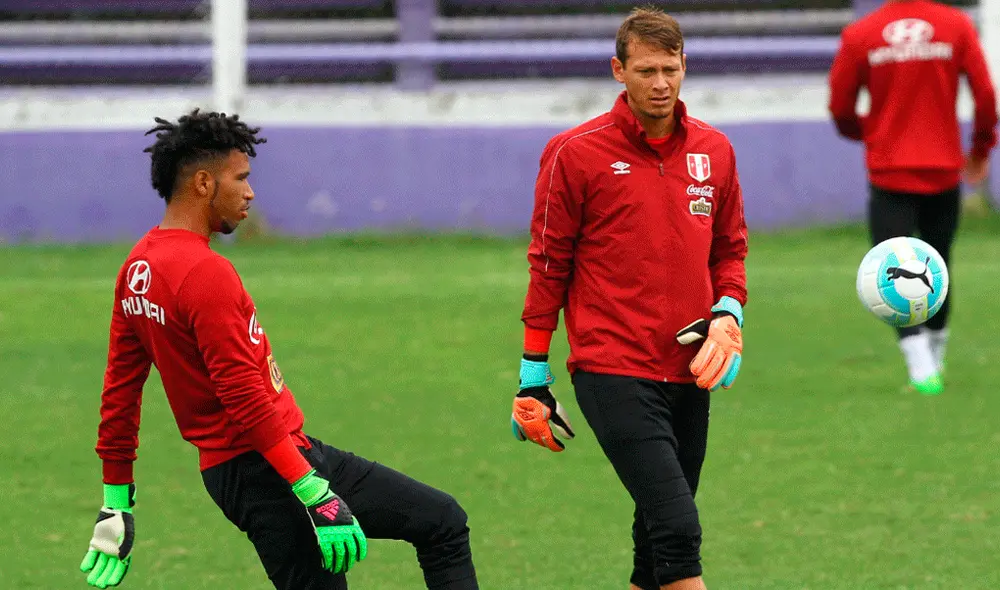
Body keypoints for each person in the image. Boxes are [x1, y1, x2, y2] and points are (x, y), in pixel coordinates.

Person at [79, 109, 480, 590]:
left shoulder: (137, 266)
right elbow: (243, 396)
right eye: (241, 178)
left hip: (271, 459)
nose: (249, 192)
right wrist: (312, 491)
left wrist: (115, 499)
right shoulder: (205, 273)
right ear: (204, 183)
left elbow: (119, 392)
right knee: (441, 525)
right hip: (266, 471)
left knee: (441, 521)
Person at [509, 7, 748, 590]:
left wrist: (727, 315)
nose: (660, 84)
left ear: (685, 67)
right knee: (678, 529)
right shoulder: (574, 152)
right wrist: (532, 375)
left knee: (654, 545)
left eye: (670, 69)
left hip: (691, 370)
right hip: (611, 368)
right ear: (619, 70)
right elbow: (548, 268)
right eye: (646, 70)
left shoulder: (714, 151)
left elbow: (730, 251)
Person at [829, 0, 998, 395]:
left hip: (890, 170)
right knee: (937, 264)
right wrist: (980, 149)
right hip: (942, 167)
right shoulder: (955, 25)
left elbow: (840, 106)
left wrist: (870, 134)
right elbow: (986, 94)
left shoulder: (862, 33)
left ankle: (922, 369)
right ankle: (933, 363)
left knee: (889, 267)